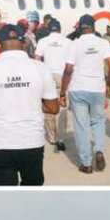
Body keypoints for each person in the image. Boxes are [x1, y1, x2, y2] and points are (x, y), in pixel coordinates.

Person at [0, 24, 59, 185]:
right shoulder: (40, 68)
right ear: (24, 42)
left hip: (0, 142)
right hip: (32, 141)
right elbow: (53, 108)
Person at [61, 14, 110, 174]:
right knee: (98, 121)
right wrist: (109, 84)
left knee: (81, 126)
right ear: (93, 26)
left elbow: (68, 70)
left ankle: (86, 163)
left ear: (80, 27)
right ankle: (98, 150)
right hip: (97, 88)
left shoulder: (74, 44)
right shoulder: (103, 43)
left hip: (78, 88)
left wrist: (63, 92)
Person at [34, 18, 71, 152]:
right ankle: (61, 138)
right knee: (63, 107)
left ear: (49, 30)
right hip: (63, 76)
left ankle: (52, 136)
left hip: (47, 76)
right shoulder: (68, 42)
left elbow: (37, 59)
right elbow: (72, 62)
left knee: (49, 107)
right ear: (60, 30)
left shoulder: (43, 41)